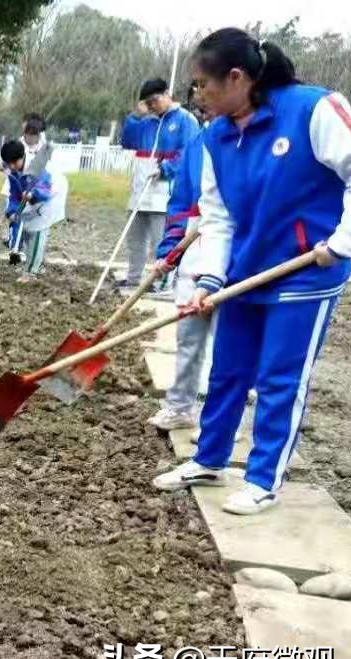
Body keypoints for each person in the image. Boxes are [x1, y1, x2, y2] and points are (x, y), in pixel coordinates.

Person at [152, 28, 351, 516]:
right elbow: (218, 217)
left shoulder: (313, 109)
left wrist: (344, 241)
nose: (196, 96)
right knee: (228, 370)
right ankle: (209, 459)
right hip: (247, 267)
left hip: (307, 268)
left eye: (202, 85)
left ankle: (263, 478)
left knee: (279, 377)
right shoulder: (215, 136)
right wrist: (208, 280)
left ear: (236, 78)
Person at [147, 83, 210, 431]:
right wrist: (168, 252)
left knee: (232, 347)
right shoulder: (198, 145)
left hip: (236, 258)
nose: (208, 114)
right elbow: (182, 202)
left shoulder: (251, 143)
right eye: (203, 109)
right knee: (189, 335)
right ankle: (181, 406)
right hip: (195, 250)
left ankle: (223, 418)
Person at [118, 78, 202, 290]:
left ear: (167, 94)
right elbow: (127, 140)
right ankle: (134, 279)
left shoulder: (186, 120)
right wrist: (136, 115)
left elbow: (189, 153)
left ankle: (163, 283)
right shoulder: (146, 122)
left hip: (165, 192)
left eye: (154, 100)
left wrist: (167, 168)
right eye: (148, 102)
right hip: (140, 190)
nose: (152, 106)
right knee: (135, 240)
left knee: (161, 239)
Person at [0, 140, 61, 283]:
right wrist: (12, 212)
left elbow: (47, 188)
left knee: (37, 237)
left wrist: (34, 194)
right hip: (29, 208)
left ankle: (31, 272)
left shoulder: (38, 168)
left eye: (14, 163)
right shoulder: (13, 173)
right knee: (27, 236)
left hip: (45, 205)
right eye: (9, 164)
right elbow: (14, 195)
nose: (12, 167)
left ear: (22, 157)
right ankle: (36, 265)